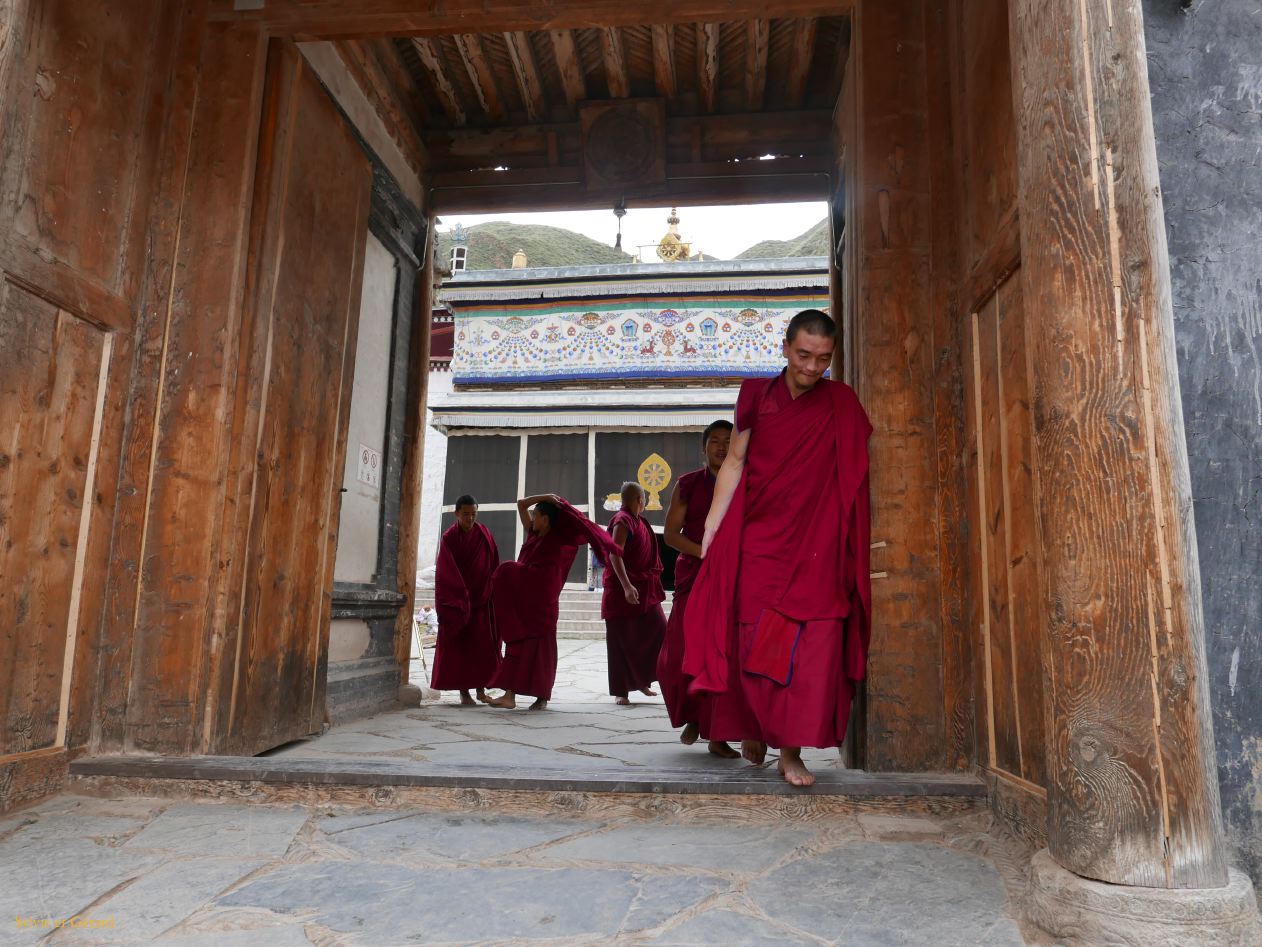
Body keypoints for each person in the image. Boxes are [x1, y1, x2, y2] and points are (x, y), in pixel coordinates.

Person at [684, 309, 872, 787]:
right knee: (755, 644)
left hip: (816, 546)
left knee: (812, 649)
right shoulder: (755, 396)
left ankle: (791, 750)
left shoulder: (840, 403)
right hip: (762, 542)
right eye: (804, 355)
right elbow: (734, 463)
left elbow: (851, 476)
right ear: (785, 347)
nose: (812, 368)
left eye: (823, 360)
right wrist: (712, 522)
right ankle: (758, 726)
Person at [487, 494, 622, 710]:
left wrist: (514, 572)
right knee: (518, 645)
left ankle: (541, 697)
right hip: (525, 599)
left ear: (546, 519)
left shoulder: (559, 539)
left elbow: (549, 575)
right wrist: (547, 497)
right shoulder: (533, 533)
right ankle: (509, 695)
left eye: (537, 515)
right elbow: (521, 504)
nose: (532, 518)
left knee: (542, 651)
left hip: (543, 601)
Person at [658, 420, 740, 758]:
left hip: (733, 578)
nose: (721, 447)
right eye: (715, 442)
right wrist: (705, 552)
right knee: (680, 655)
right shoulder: (689, 484)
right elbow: (671, 534)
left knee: (722, 655)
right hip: (695, 575)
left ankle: (717, 732)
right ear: (703, 448)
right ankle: (693, 715)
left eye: (728, 442)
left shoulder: (746, 482)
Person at [431, 495, 500, 706]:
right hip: (460, 603)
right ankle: (464, 692)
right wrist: (460, 597)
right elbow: (446, 572)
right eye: (466, 514)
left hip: (482, 599)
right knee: (460, 647)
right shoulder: (449, 538)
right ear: (457, 514)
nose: (470, 518)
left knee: (482, 646)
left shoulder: (484, 534)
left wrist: (493, 589)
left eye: (473, 514)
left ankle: (480, 689)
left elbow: (494, 562)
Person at [602, 483, 667, 705]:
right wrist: (627, 586)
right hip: (623, 590)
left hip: (644, 589)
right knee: (621, 639)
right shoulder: (623, 520)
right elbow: (614, 554)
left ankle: (642, 681)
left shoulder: (639, 521)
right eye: (644, 498)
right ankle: (622, 691)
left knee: (660, 632)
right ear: (640, 499)